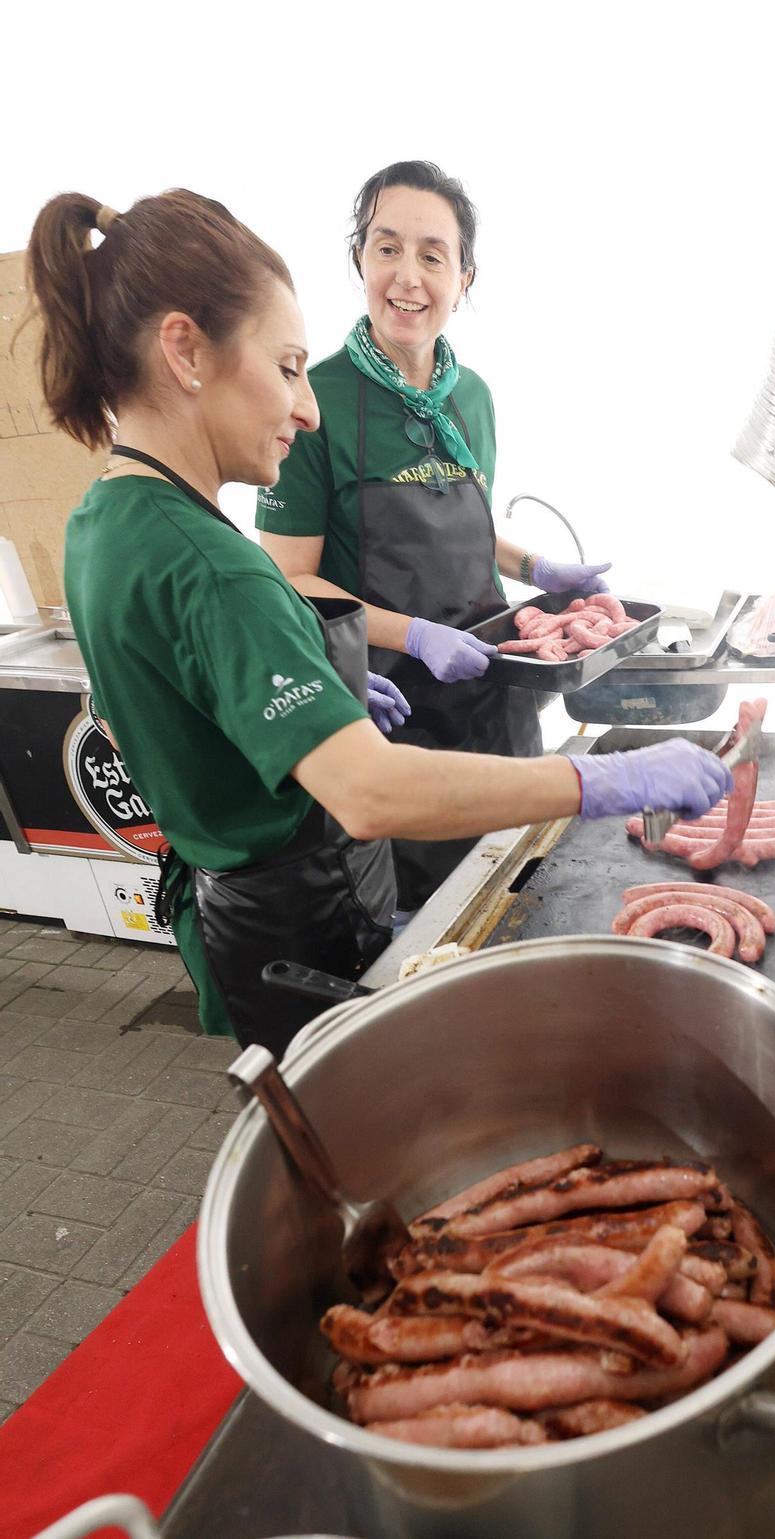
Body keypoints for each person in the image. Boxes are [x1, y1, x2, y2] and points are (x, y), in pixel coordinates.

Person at [28, 188, 731, 1055]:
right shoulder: (214, 564)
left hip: (242, 913)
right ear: (185, 350)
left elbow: (179, 688)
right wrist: (600, 784)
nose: (307, 406)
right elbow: (370, 794)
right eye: (287, 367)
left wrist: (307, 682)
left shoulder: (109, 518)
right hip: (302, 914)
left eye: (435, 255)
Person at [256, 161, 610, 913]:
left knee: (525, 888)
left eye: (431, 254)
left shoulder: (470, 396)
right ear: (359, 260)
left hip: (495, 694)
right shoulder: (314, 402)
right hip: (392, 713)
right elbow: (289, 576)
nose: (407, 277)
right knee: (432, 921)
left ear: (464, 277)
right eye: (386, 248)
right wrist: (415, 635)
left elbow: (467, 519)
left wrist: (537, 563)